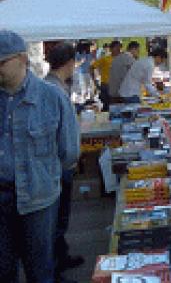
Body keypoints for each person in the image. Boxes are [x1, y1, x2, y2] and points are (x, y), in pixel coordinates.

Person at [0, 30, 80, 283]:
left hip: (39, 199)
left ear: (23, 59)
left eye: (2, 62)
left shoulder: (51, 97)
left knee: (40, 271)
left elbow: (69, 151)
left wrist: (44, 174)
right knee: (3, 269)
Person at [45, 43, 85, 279]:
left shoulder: (55, 86)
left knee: (60, 218)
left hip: (60, 165)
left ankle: (61, 256)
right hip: (59, 166)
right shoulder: (53, 89)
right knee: (56, 220)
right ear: (69, 63)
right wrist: (69, 158)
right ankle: (53, 267)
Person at [91, 40, 119, 110]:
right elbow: (91, 67)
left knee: (116, 106)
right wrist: (95, 82)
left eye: (119, 47)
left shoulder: (122, 59)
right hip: (106, 86)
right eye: (116, 48)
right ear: (111, 49)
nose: (118, 49)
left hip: (118, 86)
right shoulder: (105, 59)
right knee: (106, 106)